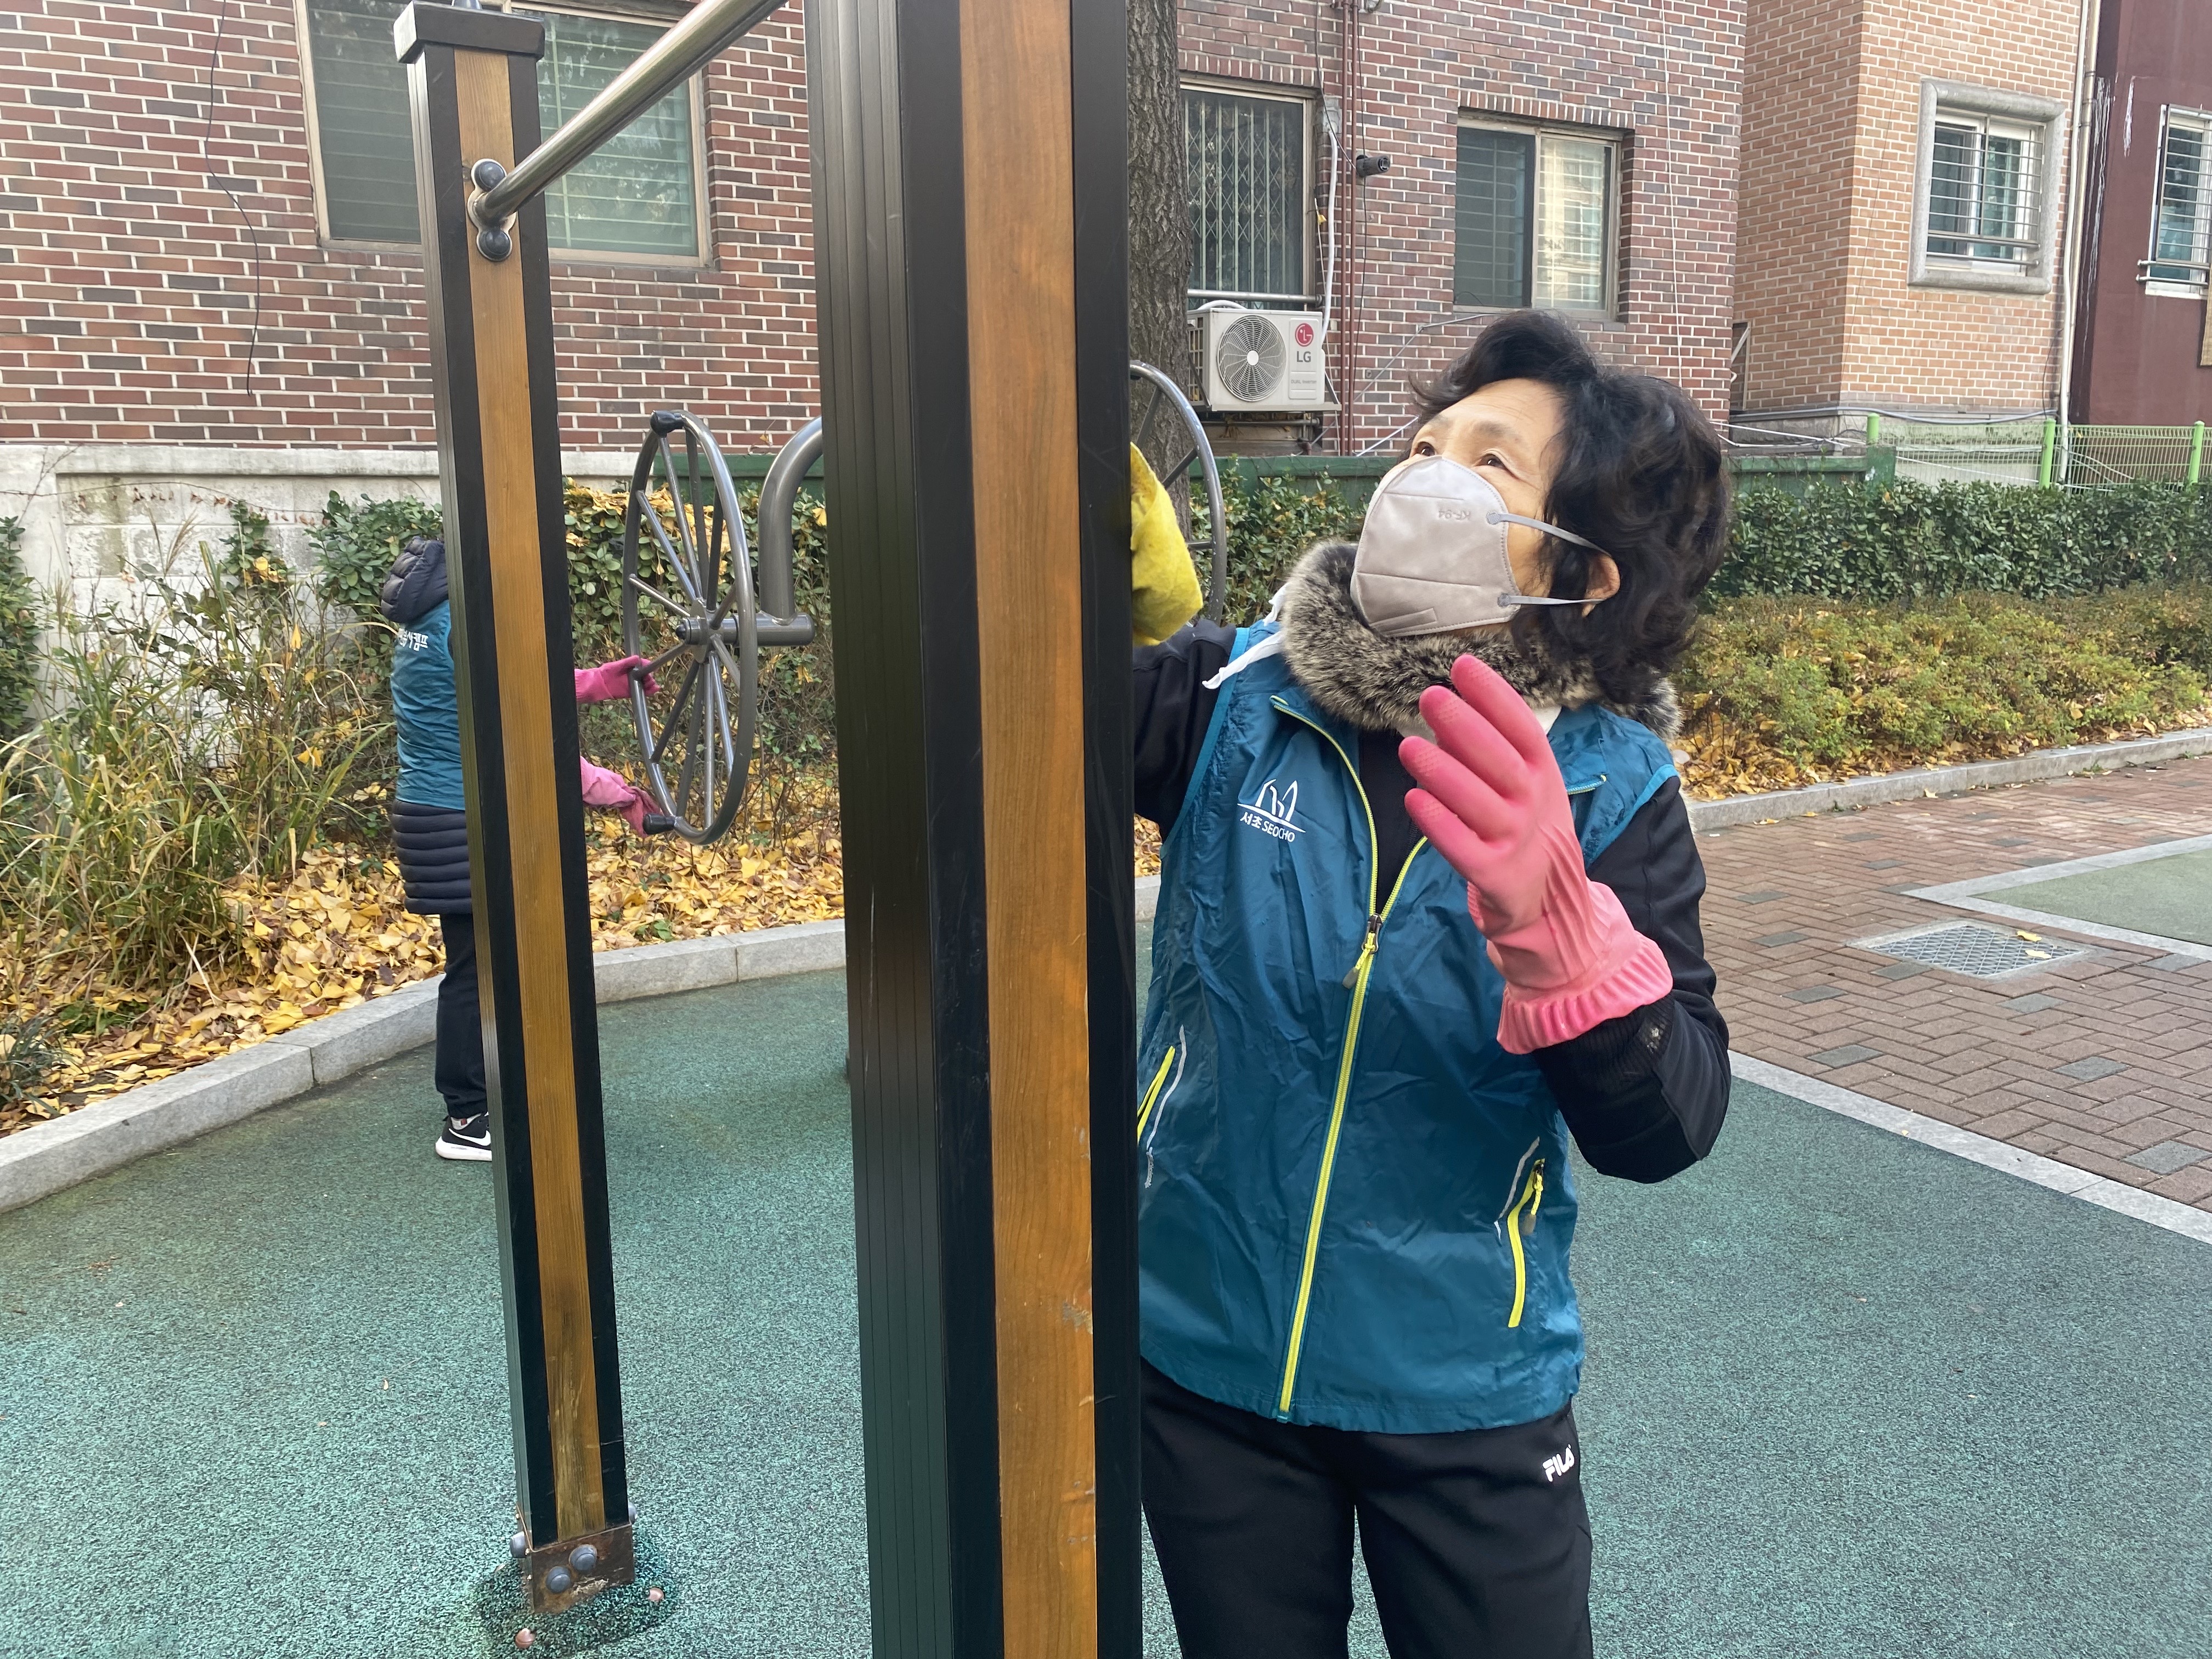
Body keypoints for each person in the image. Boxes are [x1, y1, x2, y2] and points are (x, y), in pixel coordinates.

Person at [1131, 311, 1733, 1658]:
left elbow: (1669, 1126)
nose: (1427, 475)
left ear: (1578, 571)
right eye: (1423, 445)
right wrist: (1062, 549)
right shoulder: (1238, 693)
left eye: (1490, 461)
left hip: (1463, 1387)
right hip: (1212, 1354)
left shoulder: (1614, 788)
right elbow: (1016, 714)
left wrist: (1574, 950)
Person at [380, 535, 661, 1162]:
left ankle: (488, 1091)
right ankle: (465, 1119)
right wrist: (616, 793)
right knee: (477, 970)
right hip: (462, 815)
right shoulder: (466, 625)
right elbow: (528, 728)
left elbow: (519, 684)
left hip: (435, 810)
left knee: (486, 962)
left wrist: (601, 683)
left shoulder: (431, 622)